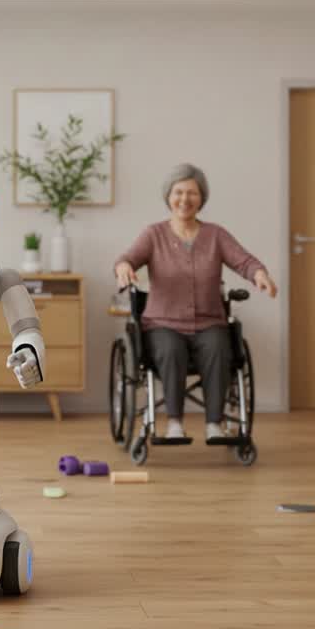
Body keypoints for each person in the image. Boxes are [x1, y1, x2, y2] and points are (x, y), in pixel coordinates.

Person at [114, 163, 277, 441]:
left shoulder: (216, 235)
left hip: (208, 321)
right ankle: (174, 422)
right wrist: (123, 269)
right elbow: (126, 258)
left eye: (192, 193)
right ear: (168, 196)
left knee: (218, 347)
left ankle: (214, 423)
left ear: (202, 198)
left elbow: (244, 261)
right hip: (162, 323)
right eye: (178, 192)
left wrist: (260, 274)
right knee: (171, 350)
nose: (184, 199)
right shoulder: (153, 234)